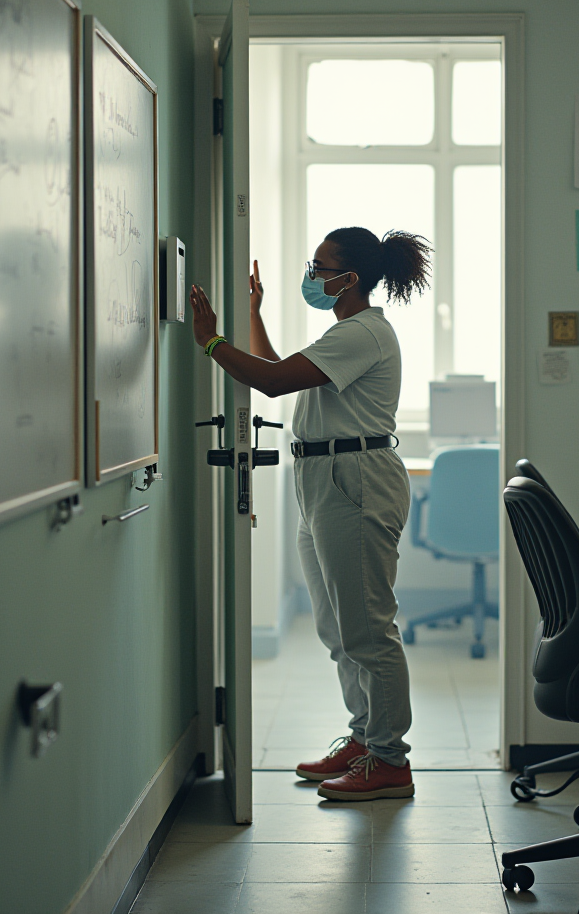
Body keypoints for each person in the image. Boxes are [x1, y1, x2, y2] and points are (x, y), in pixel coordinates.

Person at [189, 226, 431, 801]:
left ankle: (390, 760)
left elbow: (269, 382)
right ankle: (364, 738)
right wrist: (254, 316)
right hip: (326, 480)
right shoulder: (343, 334)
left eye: (321, 267)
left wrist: (208, 341)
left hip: (356, 481)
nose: (312, 275)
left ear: (350, 278)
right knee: (337, 627)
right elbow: (280, 368)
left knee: (368, 627)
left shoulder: (364, 333)